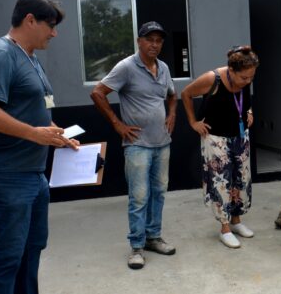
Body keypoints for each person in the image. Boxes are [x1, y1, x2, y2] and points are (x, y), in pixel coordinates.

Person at [0, 0, 79, 294]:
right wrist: (34, 134)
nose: (54, 33)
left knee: (32, 249)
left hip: (32, 173)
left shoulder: (31, 58)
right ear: (30, 20)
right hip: (4, 174)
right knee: (8, 256)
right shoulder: (0, 54)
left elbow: (32, 111)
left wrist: (58, 134)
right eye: (50, 25)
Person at [90, 21, 177, 270]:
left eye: (159, 40)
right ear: (139, 41)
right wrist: (117, 124)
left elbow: (172, 95)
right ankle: (137, 247)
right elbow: (97, 92)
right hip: (137, 144)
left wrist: (172, 115)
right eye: (149, 39)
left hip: (162, 143)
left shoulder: (164, 68)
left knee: (159, 192)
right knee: (139, 197)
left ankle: (153, 237)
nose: (154, 44)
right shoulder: (126, 67)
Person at [181, 45, 258, 249]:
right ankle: (224, 228)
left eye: (251, 77)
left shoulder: (245, 77)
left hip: (240, 136)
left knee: (241, 179)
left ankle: (236, 221)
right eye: (244, 78)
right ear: (231, 70)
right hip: (215, 138)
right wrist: (193, 122)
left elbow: (244, 99)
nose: (248, 81)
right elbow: (186, 94)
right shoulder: (212, 79)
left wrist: (248, 110)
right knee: (220, 183)